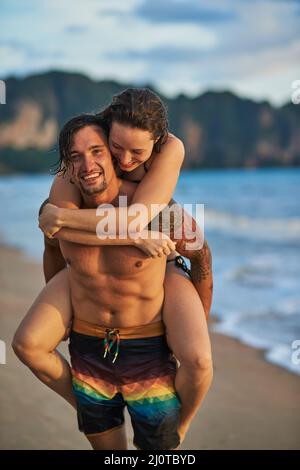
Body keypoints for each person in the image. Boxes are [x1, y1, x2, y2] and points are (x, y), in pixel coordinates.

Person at [14, 89, 213, 445]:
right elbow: (56, 241)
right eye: (115, 147)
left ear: (157, 141)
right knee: (28, 343)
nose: (124, 159)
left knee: (199, 361)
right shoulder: (73, 174)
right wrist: (58, 221)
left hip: (153, 238)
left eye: (137, 152)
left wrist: (201, 317)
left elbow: (184, 245)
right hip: (100, 266)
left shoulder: (170, 154)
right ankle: (92, 408)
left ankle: (177, 428)